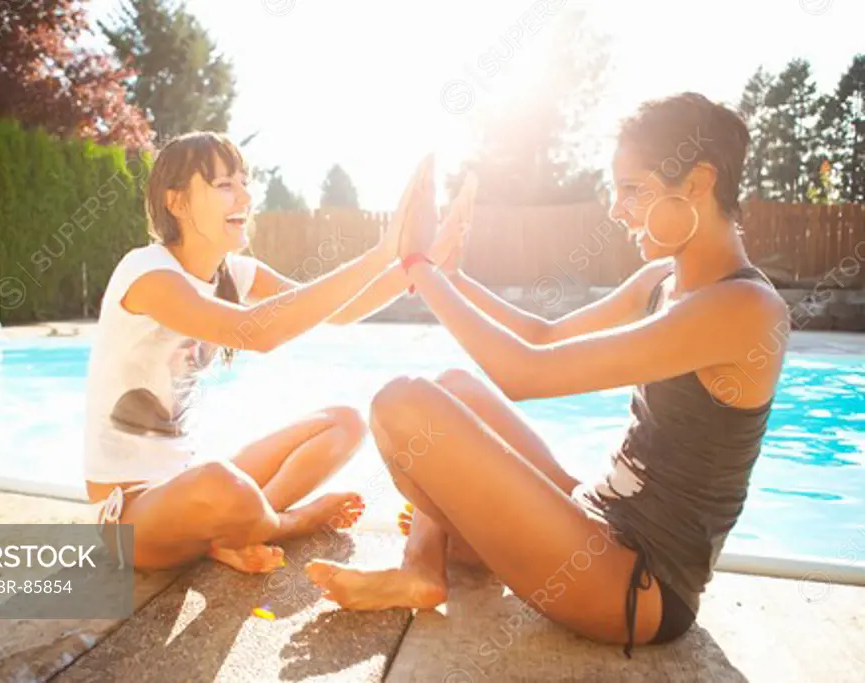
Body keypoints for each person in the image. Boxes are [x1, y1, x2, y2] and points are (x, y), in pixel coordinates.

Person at [305, 92, 790, 657]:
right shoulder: (663, 278)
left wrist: (417, 266)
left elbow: (525, 374)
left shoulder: (744, 310)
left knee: (403, 406)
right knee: (451, 389)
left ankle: (460, 545)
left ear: (699, 183)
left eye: (632, 188)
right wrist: (450, 275)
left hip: (639, 587)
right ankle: (424, 568)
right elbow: (545, 337)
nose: (616, 208)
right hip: (598, 516)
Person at [84, 131, 448, 574]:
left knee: (344, 423)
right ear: (175, 202)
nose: (244, 196)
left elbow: (342, 311)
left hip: (188, 487)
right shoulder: (146, 271)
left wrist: (417, 263)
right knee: (221, 483)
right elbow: (255, 332)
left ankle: (240, 530)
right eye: (224, 185)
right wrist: (380, 252)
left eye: (244, 181)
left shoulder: (235, 273)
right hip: (131, 515)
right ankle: (289, 522)